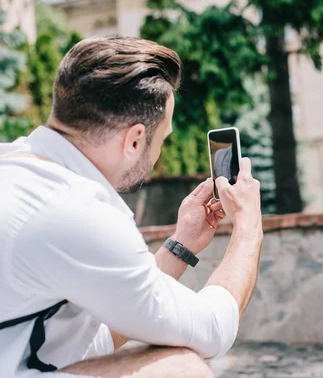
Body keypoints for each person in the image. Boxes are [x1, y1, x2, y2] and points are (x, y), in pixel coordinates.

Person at [0, 36, 263, 377]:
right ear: (135, 139)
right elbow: (213, 328)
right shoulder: (75, 212)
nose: (157, 155)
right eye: (161, 140)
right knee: (180, 368)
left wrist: (181, 246)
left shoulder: (17, 168)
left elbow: (82, 342)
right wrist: (249, 227)